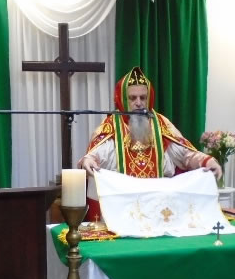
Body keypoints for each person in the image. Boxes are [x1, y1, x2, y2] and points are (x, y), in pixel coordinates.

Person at [78, 66, 222, 217]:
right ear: (122, 99)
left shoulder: (161, 124)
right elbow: (96, 155)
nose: (139, 103)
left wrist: (207, 161)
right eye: (133, 98)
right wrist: (89, 160)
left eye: (143, 98)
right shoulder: (111, 125)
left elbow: (185, 154)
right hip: (123, 208)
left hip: (159, 207)